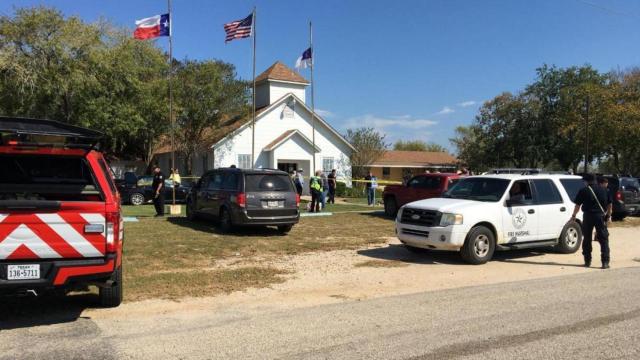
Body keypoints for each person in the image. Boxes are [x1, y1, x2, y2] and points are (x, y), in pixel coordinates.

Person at [571, 174, 612, 269]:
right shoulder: (605, 190)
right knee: (604, 239)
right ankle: (605, 262)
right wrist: (608, 215)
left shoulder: (583, 191)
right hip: (600, 216)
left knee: (587, 238)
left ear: (587, 181)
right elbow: (610, 205)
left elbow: (578, 205)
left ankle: (587, 260)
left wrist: (573, 216)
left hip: (588, 216)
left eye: (584, 181)